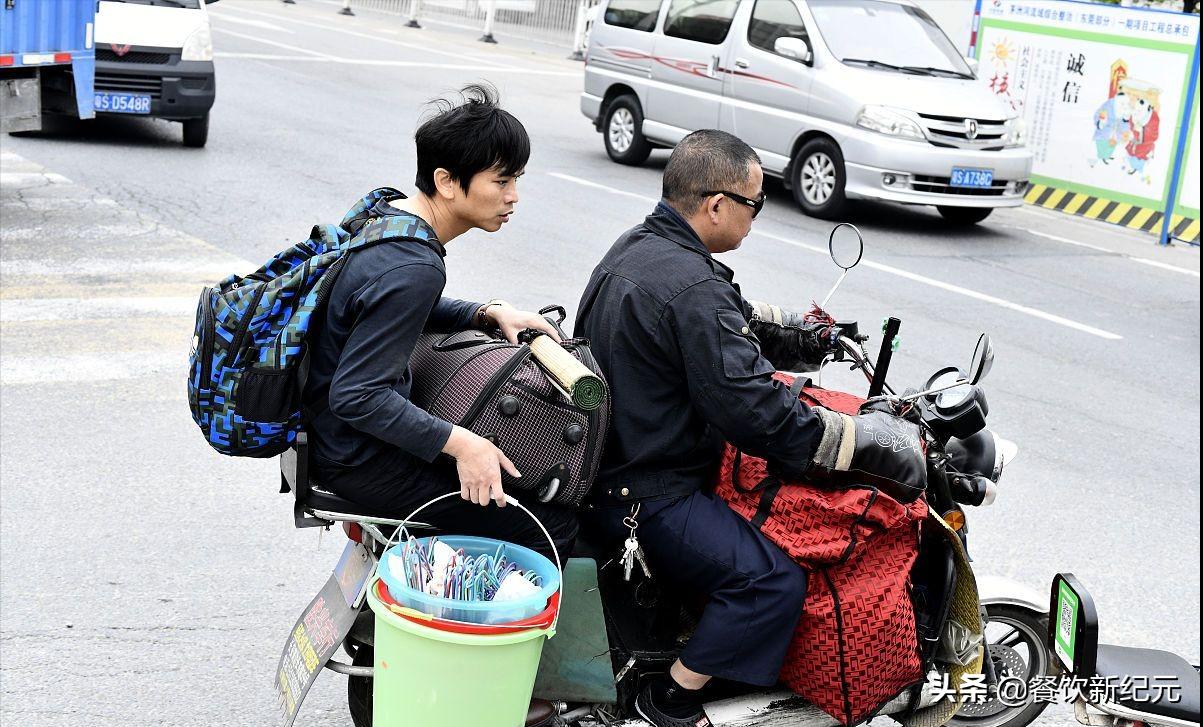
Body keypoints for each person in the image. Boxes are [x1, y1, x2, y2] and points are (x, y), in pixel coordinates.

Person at [575, 129, 925, 727]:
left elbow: (728, 322)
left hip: (618, 464)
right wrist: (852, 444)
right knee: (771, 583)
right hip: (649, 492)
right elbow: (753, 409)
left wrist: (802, 332)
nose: (756, 218)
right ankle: (668, 699)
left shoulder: (638, 249)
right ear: (715, 204)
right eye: (754, 204)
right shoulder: (692, 286)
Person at [301, 84, 577, 569]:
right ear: (447, 181)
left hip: (335, 440)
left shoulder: (387, 218)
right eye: (501, 182)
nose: (513, 197)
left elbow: (386, 305)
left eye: (517, 180)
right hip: (358, 458)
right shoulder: (415, 265)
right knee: (551, 525)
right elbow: (357, 395)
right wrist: (464, 444)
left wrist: (486, 313)